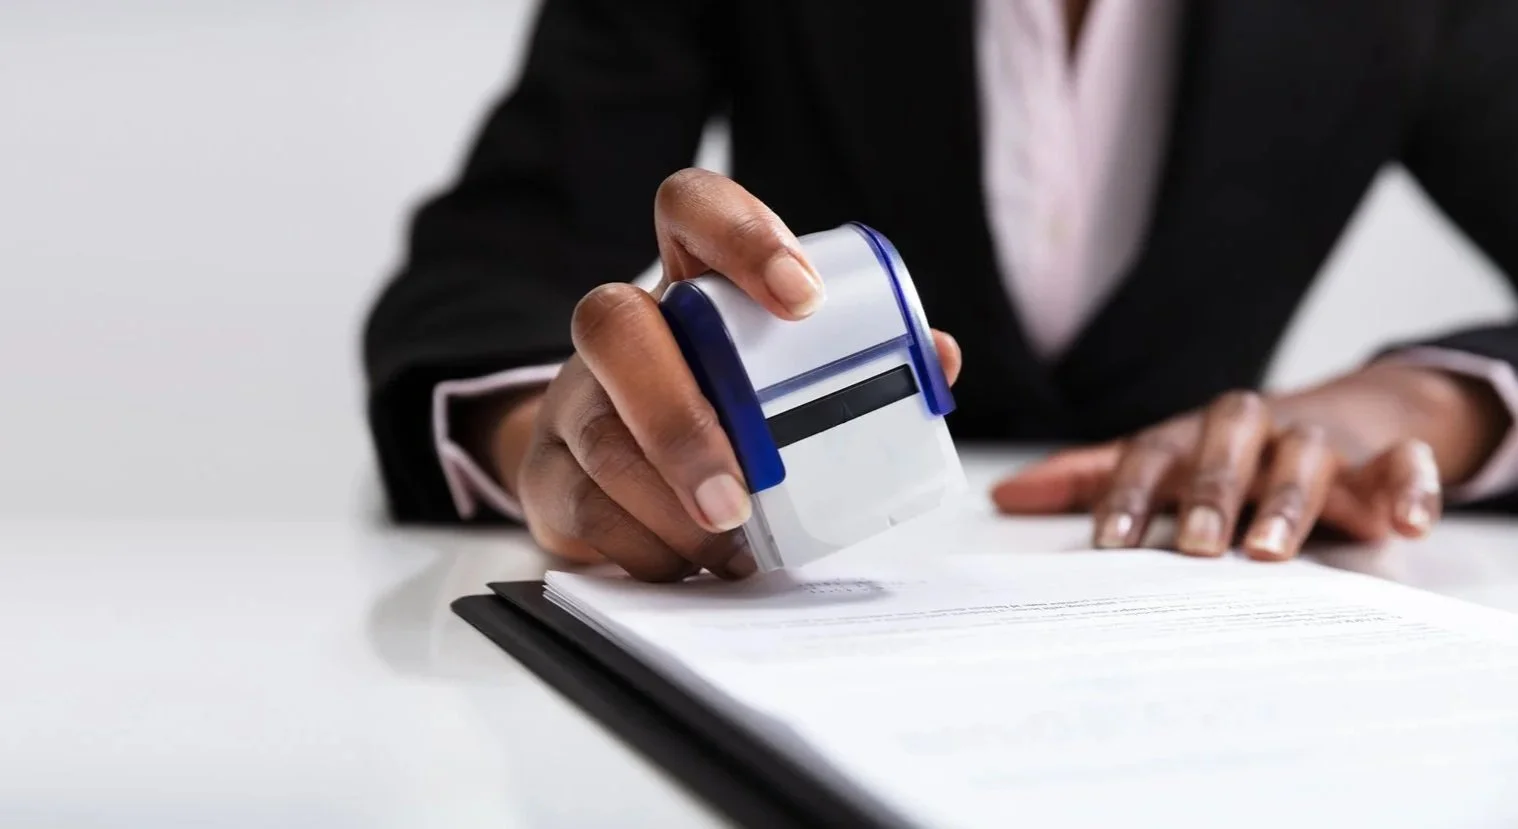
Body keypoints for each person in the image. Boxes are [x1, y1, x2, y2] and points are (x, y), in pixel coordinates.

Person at [363, 0, 1518, 582]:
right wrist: (571, 442)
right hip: (807, 578)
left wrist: (1425, 405)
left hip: (1211, 602)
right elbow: (484, 274)